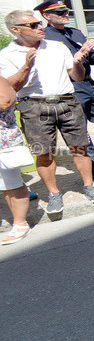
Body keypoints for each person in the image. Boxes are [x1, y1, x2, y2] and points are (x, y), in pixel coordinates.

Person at [0, 10, 94, 214]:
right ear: (15, 29)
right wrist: (27, 66)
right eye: (33, 25)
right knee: (44, 153)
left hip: (67, 101)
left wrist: (77, 62)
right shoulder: (6, 55)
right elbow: (11, 87)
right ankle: (54, 193)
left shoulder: (56, 46)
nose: (40, 27)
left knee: (80, 147)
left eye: (39, 23)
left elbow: (77, 77)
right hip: (34, 106)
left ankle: (89, 185)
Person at [37, 0, 94, 179]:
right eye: (59, 12)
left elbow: (91, 58)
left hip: (88, 83)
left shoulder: (76, 33)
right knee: (80, 128)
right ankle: (92, 167)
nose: (65, 15)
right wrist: (79, 54)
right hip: (70, 85)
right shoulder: (45, 38)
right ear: (46, 16)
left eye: (66, 11)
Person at [0, 73, 33, 245]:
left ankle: (20, 223)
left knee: (11, 183)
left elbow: (6, 101)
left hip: (4, 140)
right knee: (4, 185)